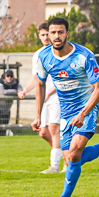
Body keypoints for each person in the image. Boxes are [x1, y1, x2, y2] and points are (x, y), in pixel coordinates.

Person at [31, 17, 99, 197]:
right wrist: (38, 115)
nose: (56, 36)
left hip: (86, 109)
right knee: (71, 159)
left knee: (73, 155)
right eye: (53, 32)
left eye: (60, 32)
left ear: (67, 34)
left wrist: (83, 113)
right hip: (66, 113)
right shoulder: (43, 57)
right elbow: (39, 83)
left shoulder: (83, 56)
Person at [20, 23, 63, 173]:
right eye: (43, 35)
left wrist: (51, 91)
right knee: (43, 132)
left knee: (53, 129)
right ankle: (68, 154)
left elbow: (64, 75)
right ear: (39, 36)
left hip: (57, 96)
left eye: (48, 34)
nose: (46, 37)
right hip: (44, 98)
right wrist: (25, 90)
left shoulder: (59, 51)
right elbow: (36, 78)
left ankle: (56, 166)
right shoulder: (38, 54)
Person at [0, 69, 21, 135]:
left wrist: (18, 91)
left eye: (11, 76)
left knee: (6, 121)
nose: (9, 78)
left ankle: (3, 136)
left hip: (7, 107)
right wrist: (15, 92)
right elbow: (2, 92)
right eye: (8, 76)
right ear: (5, 76)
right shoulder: (0, 82)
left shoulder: (16, 82)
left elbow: (20, 90)